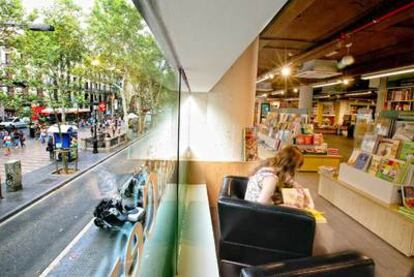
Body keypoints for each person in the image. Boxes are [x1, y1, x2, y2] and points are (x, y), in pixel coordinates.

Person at [244, 145, 312, 208]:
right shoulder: (271, 179)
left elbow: (285, 178)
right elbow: (260, 207)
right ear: (289, 168)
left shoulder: (268, 167)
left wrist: (295, 184)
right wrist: (287, 206)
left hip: (251, 210)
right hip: (257, 216)